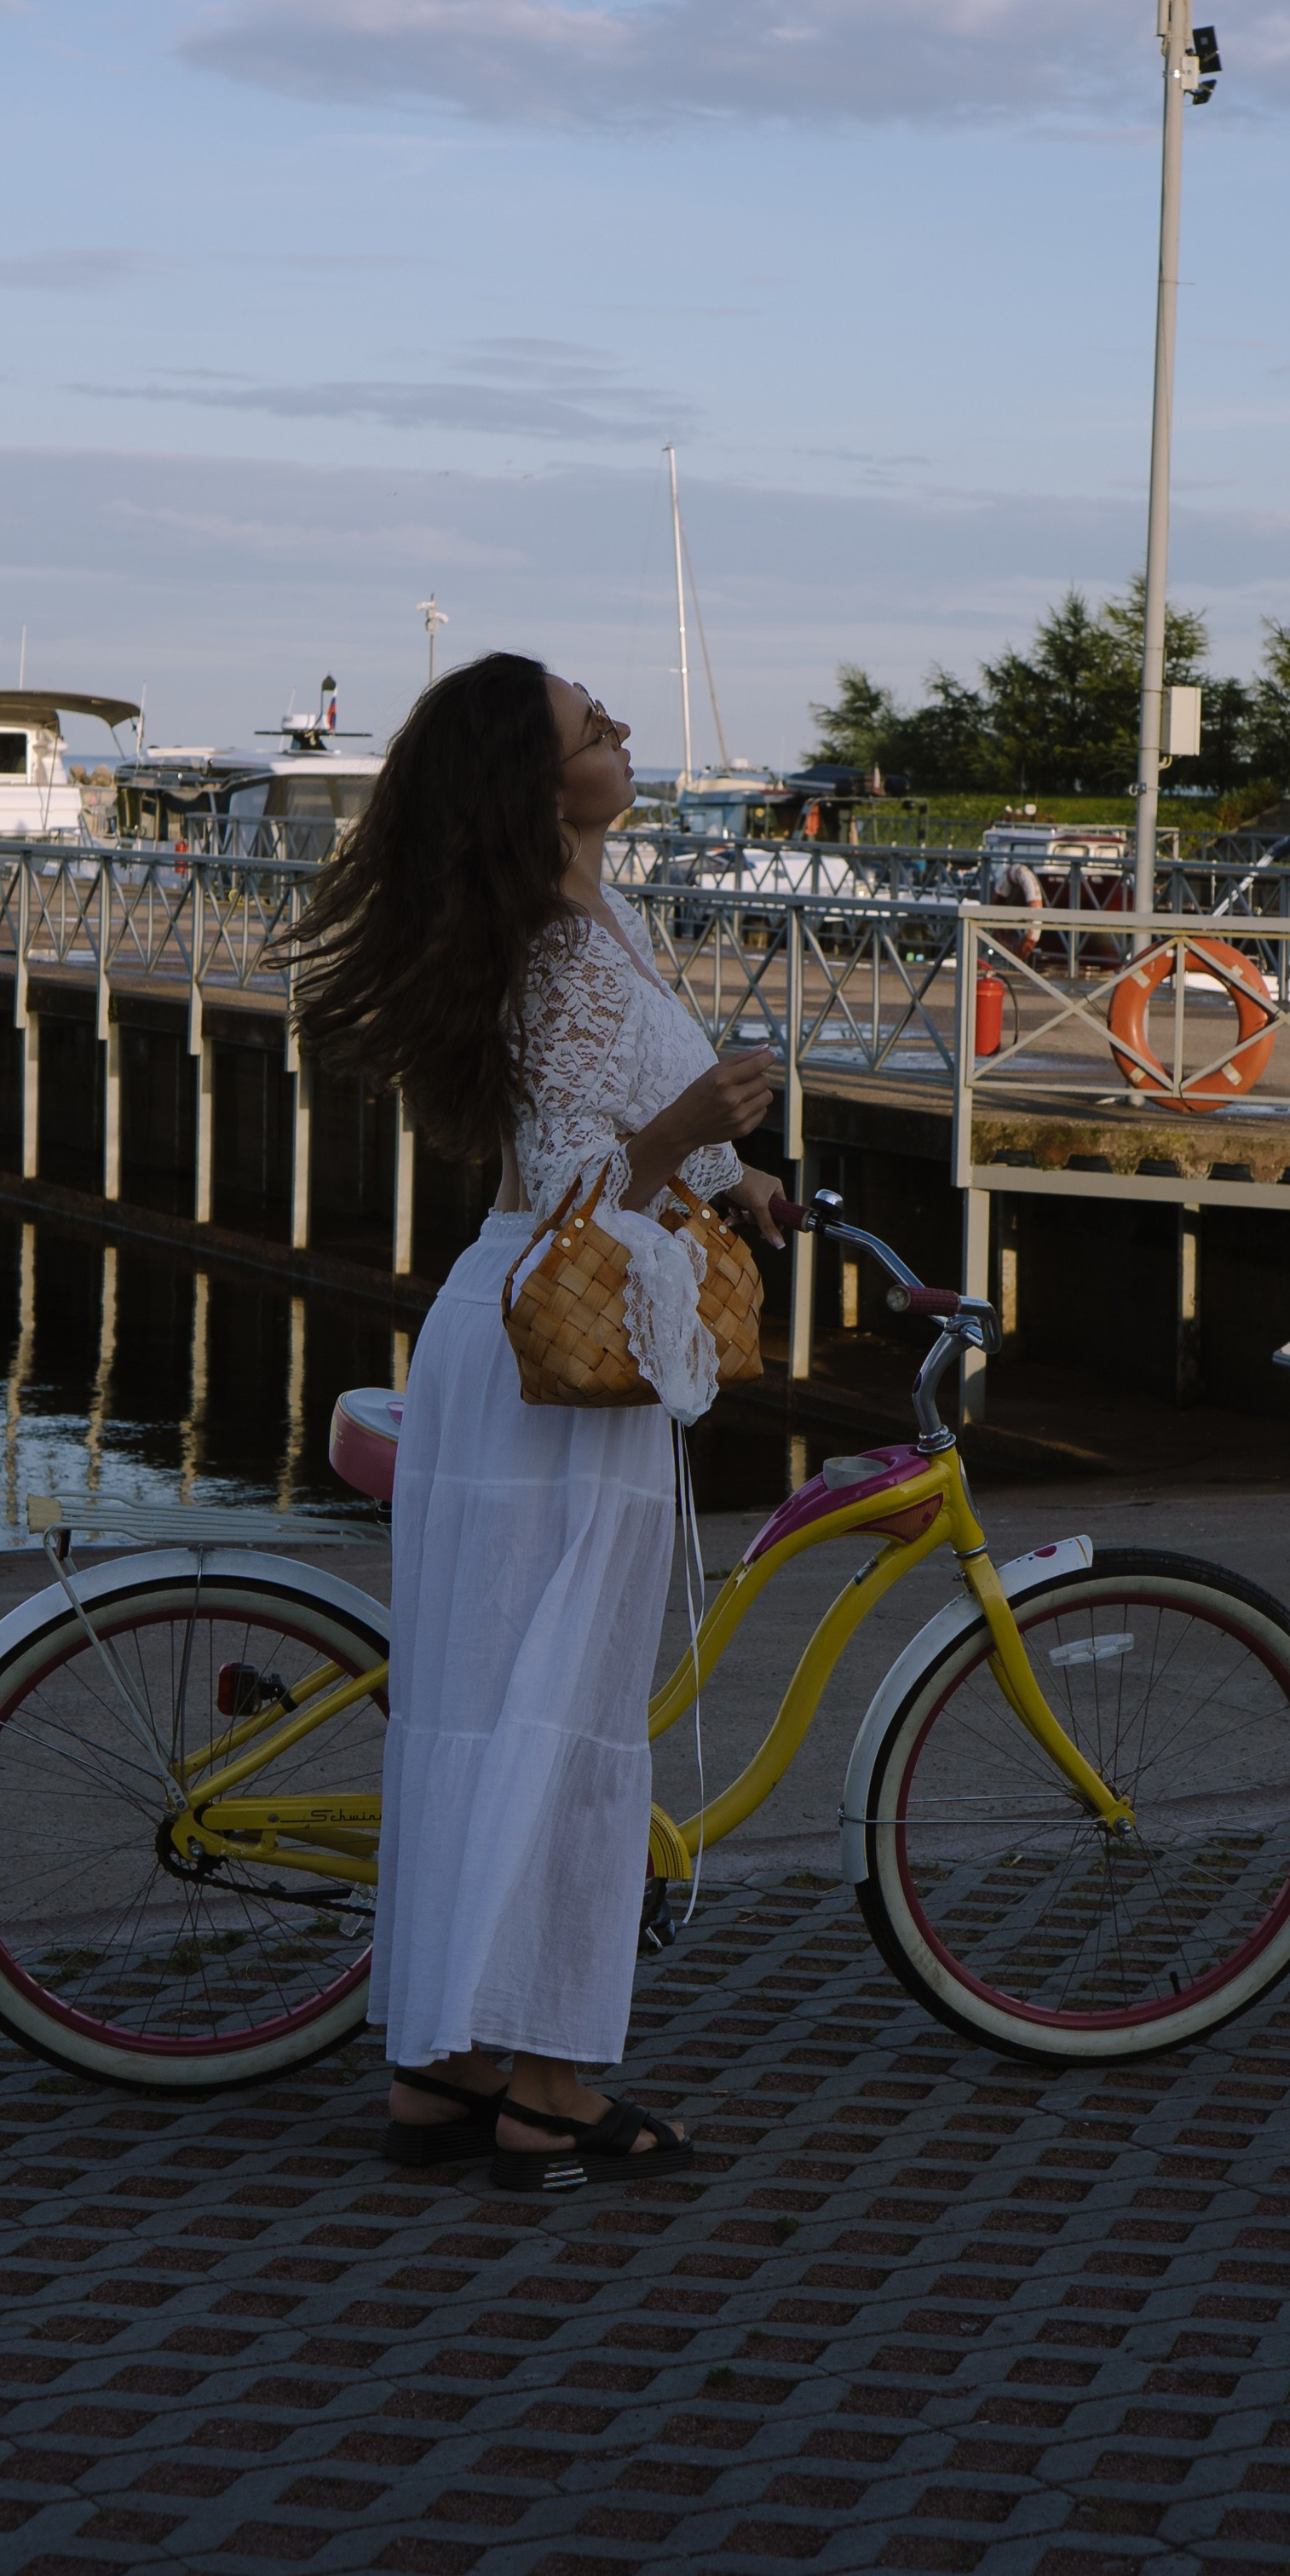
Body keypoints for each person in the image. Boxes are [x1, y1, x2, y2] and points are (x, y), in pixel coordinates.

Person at [291, 652, 785, 2193]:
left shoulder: (591, 925)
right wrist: (690, 1131)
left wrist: (736, 1181)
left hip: (511, 1336)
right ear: (537, 783)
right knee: (567, 1721)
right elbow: (588, 1191)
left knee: (486, 1707)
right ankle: (552, 2089)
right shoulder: (568, 956)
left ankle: (443, 2063)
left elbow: (596, 1159)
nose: (624, 730)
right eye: (594, 725)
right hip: (556, 1358)